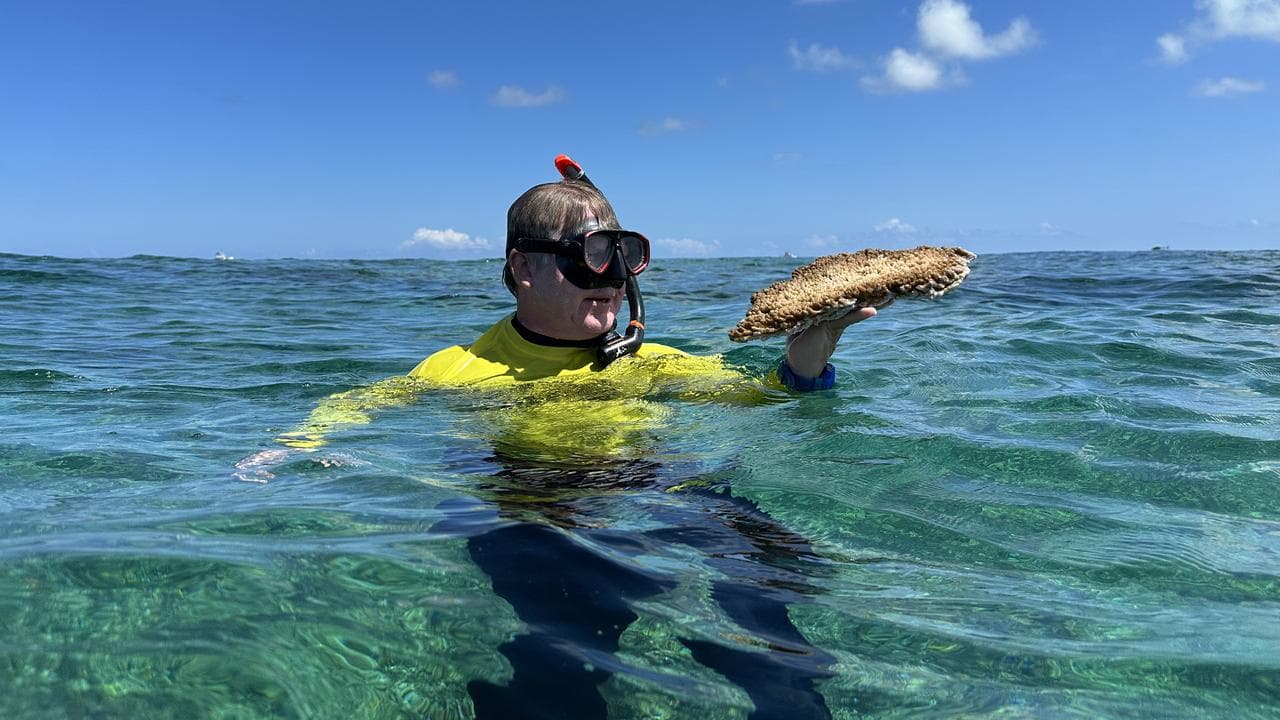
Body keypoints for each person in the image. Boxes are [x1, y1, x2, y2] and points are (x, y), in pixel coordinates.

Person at [239, 158, 880, 718]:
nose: (606, 281)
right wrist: (294, 446)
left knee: (777, 601)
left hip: (662, 484)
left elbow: (768, 395)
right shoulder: (458, 368)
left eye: (619, 262)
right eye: (586, 263)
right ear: (521, 266)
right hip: (533, 503)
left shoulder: (655, 361)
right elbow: (365, 403)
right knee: (565, 650)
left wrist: (808, 357)